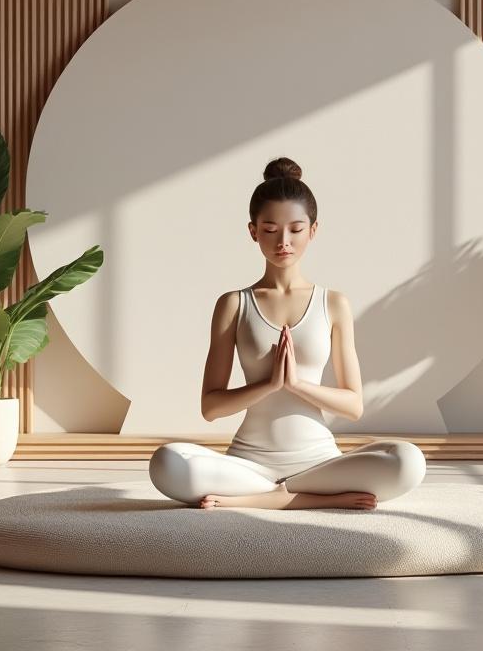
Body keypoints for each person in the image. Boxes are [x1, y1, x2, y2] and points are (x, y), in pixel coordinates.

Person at [148, 157, 427, 510]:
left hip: (319, 463)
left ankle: (271, 498)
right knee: (166, 461)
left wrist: (297, 386)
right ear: (253, 231)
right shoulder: (234, 304)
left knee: (408, 460)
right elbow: (211, 407)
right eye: (270, 229)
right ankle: (300, 498)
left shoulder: (333, 303)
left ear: (313, 230)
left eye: (296, 229)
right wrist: (269, 385)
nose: (283, 241)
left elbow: (354, 405)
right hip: (248, 465)